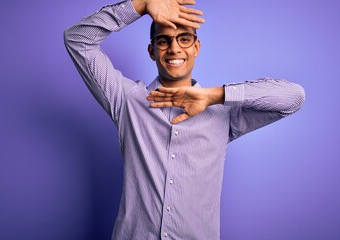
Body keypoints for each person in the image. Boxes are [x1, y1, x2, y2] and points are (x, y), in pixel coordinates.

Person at [64, 0, 305, 239]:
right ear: (152, 51)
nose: (175, 48)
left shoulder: (224, 114)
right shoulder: (127, 101)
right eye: (163, 40)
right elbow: (77, 39)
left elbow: (294, 97)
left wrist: (215, 95)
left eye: (184, 39)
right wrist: (141, 5)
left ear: (196, 47)